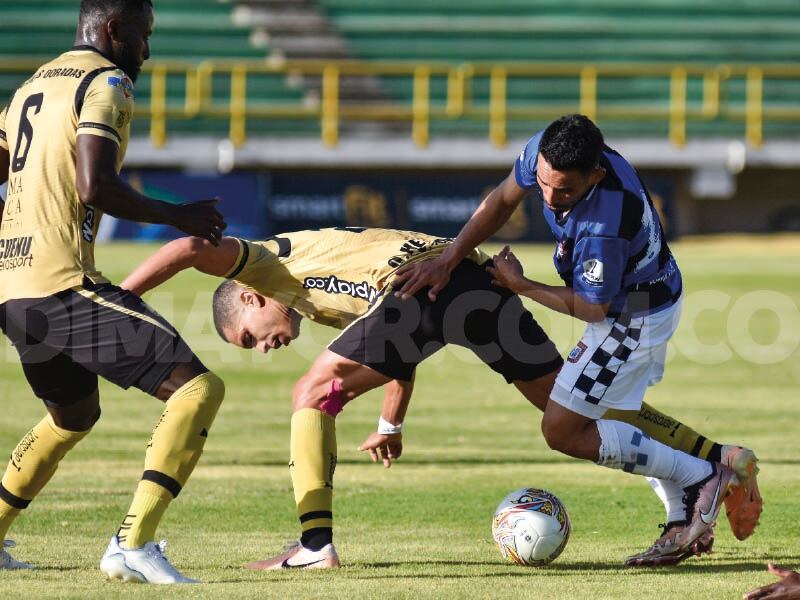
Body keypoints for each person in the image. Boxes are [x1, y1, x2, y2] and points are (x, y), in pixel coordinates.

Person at [121, 226, 757, 569]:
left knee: (310, 392)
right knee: (570, 408)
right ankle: (709, 461)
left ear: (251, 300)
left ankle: (314, 547)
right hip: (469, 281)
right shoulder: (321, 279)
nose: (261, 347)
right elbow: (397, 346)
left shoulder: (258, 263)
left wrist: (118, 299)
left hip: (425, 290)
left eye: (248, 338)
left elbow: (187, 246)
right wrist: (390, 420)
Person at [392, 114, 762, 566]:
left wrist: (520, 285)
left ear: (595, 175)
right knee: (617, 420)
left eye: (564, 190)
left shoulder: (603, 224)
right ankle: (686, 511)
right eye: (544, 183)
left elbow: (592, 308)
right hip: (647, 299)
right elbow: (504, 197)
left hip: (631, 317)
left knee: (563, 430)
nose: (548, 197)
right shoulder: (552, 150)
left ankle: (705, 477)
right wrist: (449, 259)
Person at [0, 0, 227, 583]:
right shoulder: (108, 82)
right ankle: (133, 543)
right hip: (60, 284)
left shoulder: (34, 83)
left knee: (72, 414)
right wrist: (180, 216)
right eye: (144, 36)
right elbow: (94, 184)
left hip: (12, 288)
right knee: (197, 388)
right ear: (113, 29)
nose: (146, 51)